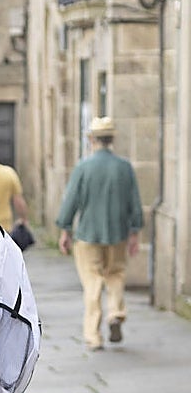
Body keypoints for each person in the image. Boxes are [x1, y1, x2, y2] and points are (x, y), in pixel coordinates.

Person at [55, 116, 144, 351]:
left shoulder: (83, 167)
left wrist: (64, 229)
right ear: (112, 139)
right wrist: (134, 232)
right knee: (116, 274)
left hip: (87, 234)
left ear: (92, 139)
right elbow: (134, 202)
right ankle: (116, 312)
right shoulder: (124, 167)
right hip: (118, 232)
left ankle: (93, 335)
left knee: (92, 281)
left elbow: (71, 200)